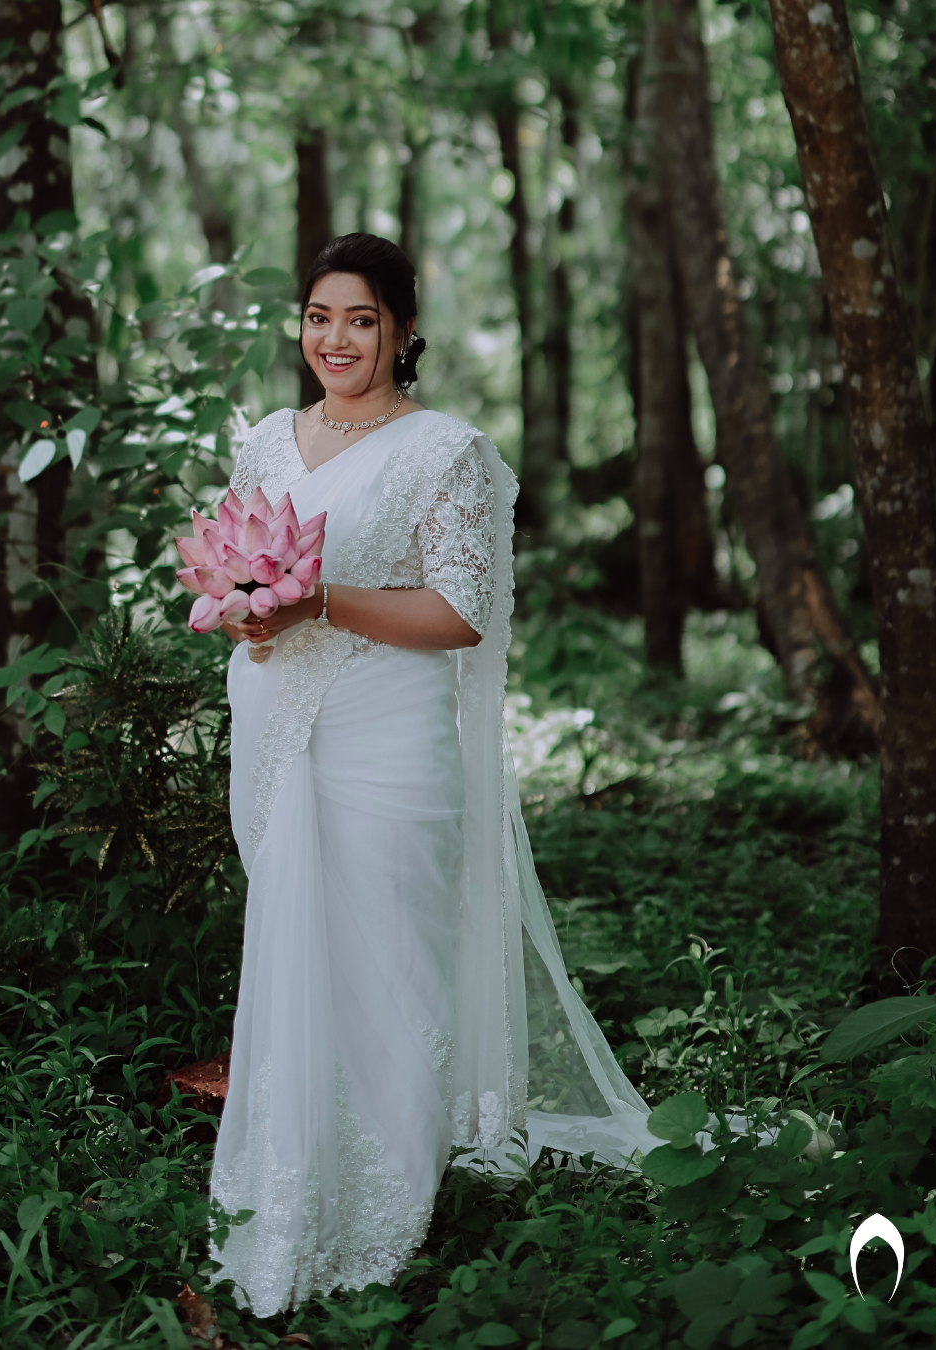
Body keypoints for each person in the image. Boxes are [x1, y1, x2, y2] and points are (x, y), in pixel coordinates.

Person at [209, 233, 656, 1316]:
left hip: (389, 741)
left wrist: (320, 602)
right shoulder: (271, 440)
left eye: (361, 320)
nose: (336, 340)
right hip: (280, 728)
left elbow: (460, 614)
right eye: (319, 316)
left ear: (404, 332)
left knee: (390, 964)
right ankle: (288, 1179)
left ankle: (387, 1207)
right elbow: (235, 569)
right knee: (300, 955)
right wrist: (247, 615)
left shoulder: (444, 451)